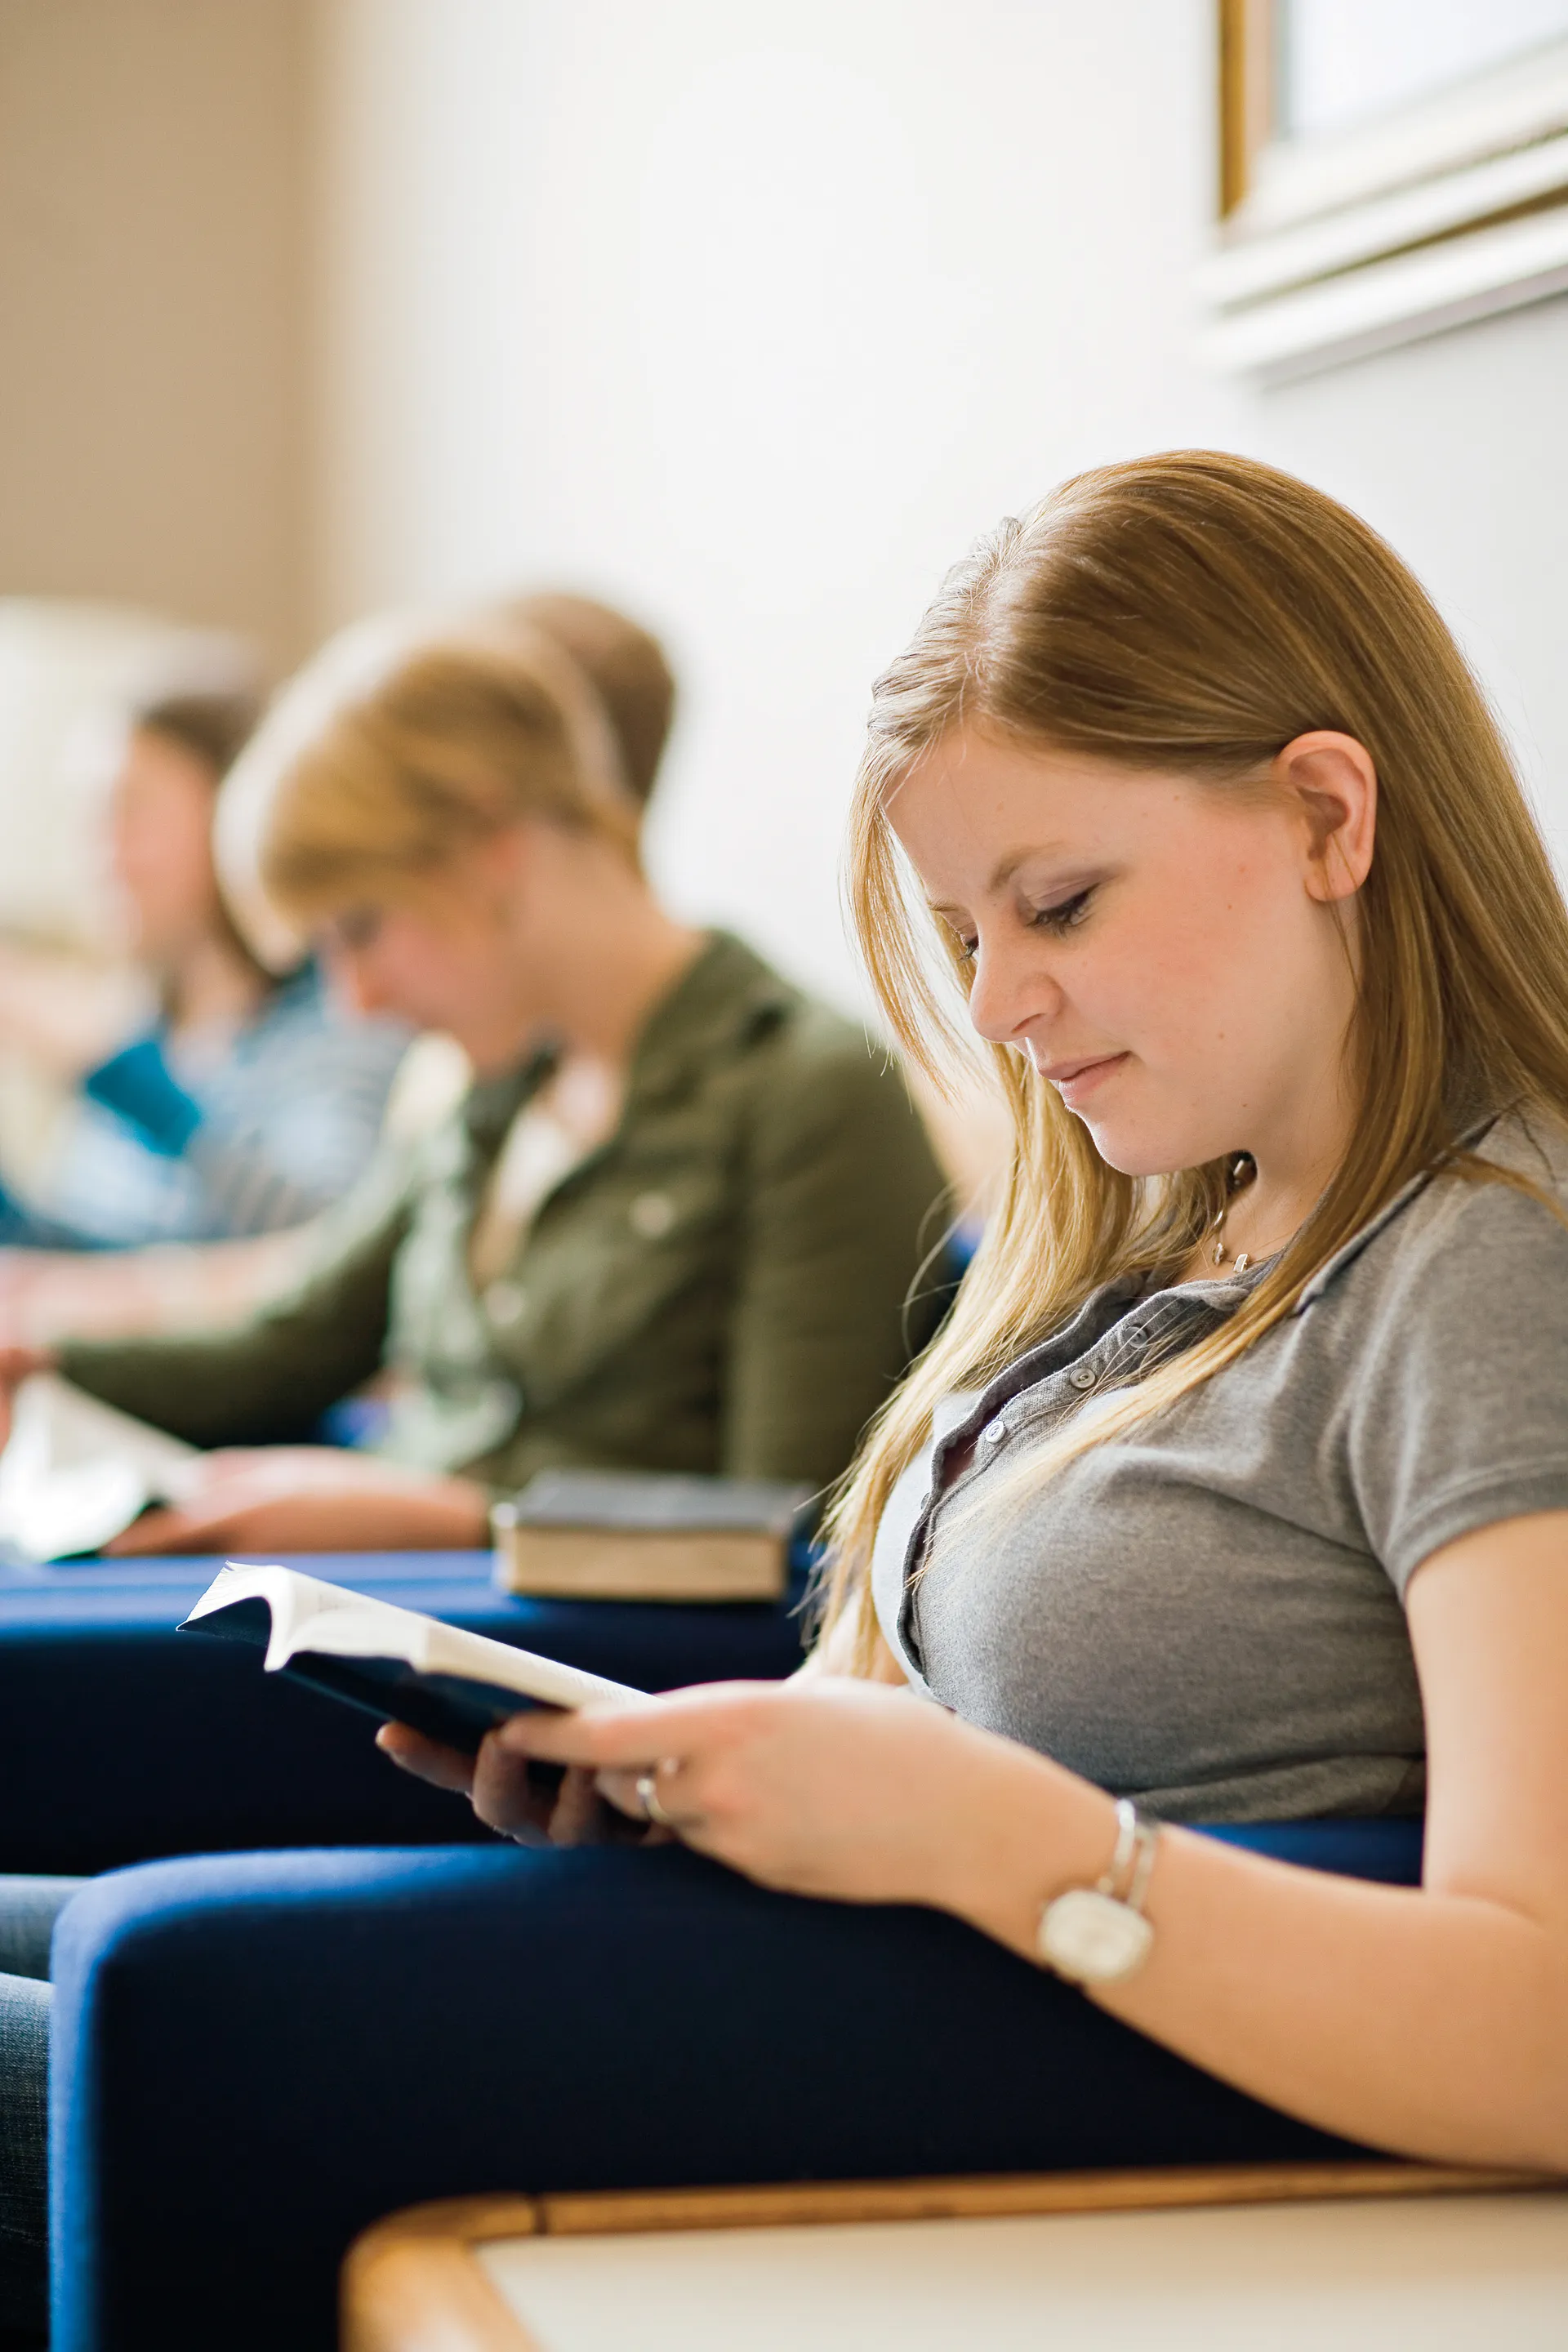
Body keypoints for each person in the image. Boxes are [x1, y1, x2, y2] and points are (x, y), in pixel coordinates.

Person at [373, 451, 1568, 2178]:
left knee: (125, 1984)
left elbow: (1540, 2035)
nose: (1001, 1004)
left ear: (1328, 816)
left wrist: (1004, 1845)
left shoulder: (1488, 1266)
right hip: (869, 2019)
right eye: (961, 935)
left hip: (1014, 2108)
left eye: (1061, 904)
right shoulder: (1175, 1222)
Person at [0, 611, 948, 1556]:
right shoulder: (482, 1093)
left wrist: (449, 1518)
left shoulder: (809, 1094)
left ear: (491, 840)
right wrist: (35, 1365)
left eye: (360, 930)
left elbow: (790, 1537)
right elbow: (291, 1345)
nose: (356, 1003)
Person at [0, 692, 408, 1250]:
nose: (100, 853)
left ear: (233, 816)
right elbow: (98, 1261)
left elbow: (327, 1230)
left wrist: (120, 1073)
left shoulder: (348, 1010)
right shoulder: (144, 1020)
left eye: (131, 809)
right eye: (91, 815)